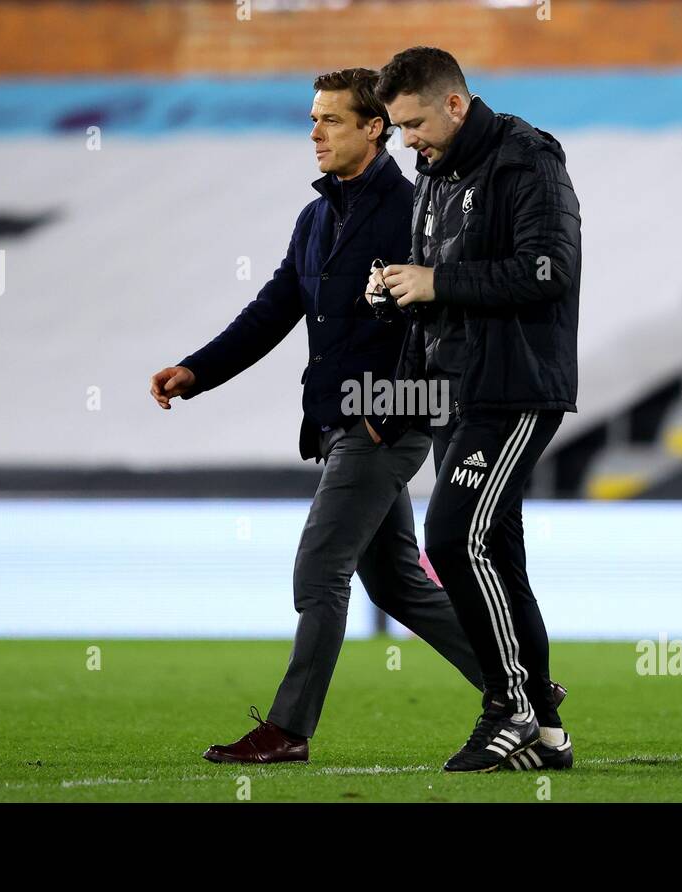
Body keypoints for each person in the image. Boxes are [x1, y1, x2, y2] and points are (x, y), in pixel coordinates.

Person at [149, 68, 485, 764]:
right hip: (339, 425)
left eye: (330, 120)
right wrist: (197, 370)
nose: (315, 132)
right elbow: (275, 308)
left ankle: (289, 729)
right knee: (396, 582)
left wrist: (384, 421)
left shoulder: (413, 210)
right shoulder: (318, 217)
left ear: (374, 128)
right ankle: (520, 685)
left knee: (318, 569)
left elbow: (437, 328)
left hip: (383, 423)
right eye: (312, 119)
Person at [366, 47, 581, 772]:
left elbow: (549, 270)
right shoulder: (435, 171)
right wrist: (399, 291)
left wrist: (437, 281)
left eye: (414, 123)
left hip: (514, 389)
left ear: (455, 104)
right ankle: (547, 730)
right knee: (499, 556)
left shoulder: (527, 158)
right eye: (396, 128)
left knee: (453, 538)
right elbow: (435, 288)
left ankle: (509, 705)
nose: (406, 141)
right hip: (452, 391)